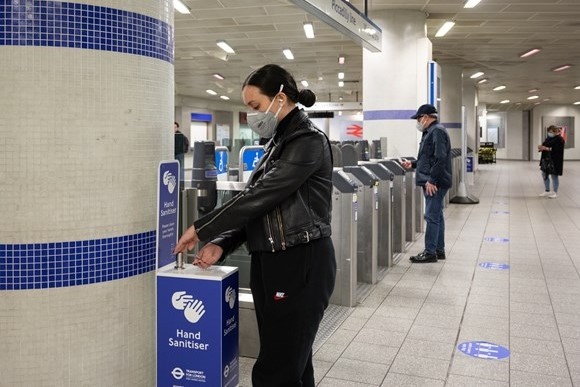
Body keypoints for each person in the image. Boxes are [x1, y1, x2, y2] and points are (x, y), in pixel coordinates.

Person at [173, 64, 336, 387]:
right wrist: (224, 243)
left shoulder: (308, 142)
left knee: (276, 368)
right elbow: (260, 209)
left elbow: (262, 195)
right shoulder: (278, 143)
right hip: (272, 261)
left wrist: (202, 227)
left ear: (279, 98)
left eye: (255, 106)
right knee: (293, 364)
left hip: (300, 261)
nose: (252, 116)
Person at [402, 104, 452, 263]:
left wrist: (432, 180)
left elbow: (440, 158)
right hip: (434, 179)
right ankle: (439, 249)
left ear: (426, 117)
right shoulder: (431, 131)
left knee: (431, 216)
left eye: (418, 118)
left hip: (434, 182)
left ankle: (430, 252)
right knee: (437, 215)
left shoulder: (436, 131)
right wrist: (414, 164)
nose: (418, 121)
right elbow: (428, 158)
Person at [538, 125, 565, 199]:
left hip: (555, 160)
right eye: (549, 132)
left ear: (556, 132)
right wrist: (541, 147)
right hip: (546, 160)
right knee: (544, 174)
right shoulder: (548, 138)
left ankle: (555, 192)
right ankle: (547, 190)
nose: (549, 133)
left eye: (551, 132)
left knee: (554, 175)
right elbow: (545, 145)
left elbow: (557, 150)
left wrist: (546, 148)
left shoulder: (560, 139)